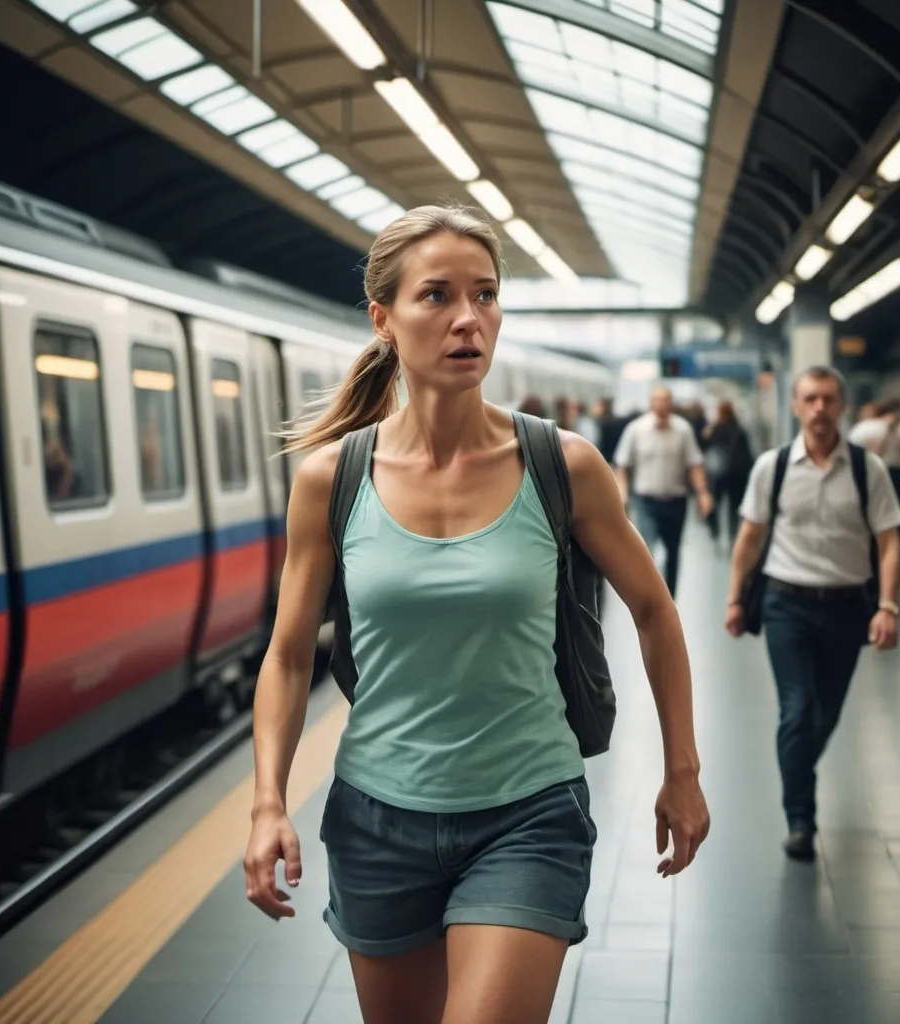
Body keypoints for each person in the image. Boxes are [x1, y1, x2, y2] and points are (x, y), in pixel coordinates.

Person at [243, 205, 710, 1024]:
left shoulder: (562, 465)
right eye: (438, 297)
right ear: (383, 319)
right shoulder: (331, 480)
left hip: (528, 813)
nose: (470, 319)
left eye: (486, 295)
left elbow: (654, 610)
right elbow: (287, 656)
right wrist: (268, 801)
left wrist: (683, 769)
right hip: (377, 819)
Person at [724, 366, 900, 861]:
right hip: (787, 604)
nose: (820, 408)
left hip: (848, 608)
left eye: (828, 399)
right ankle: (800, 819)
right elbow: (749, 538)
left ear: (842, 407)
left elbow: (890, 543)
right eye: (810, 399)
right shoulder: (774, 467)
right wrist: (735, 598)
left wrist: (888, 605)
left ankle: (798, 765)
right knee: (798, 709)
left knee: (823, 716)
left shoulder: (870, 471)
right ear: (796, 405)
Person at [613, 386, 714, 598]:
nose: (662, 404)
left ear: (671, 403)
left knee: (673, 551)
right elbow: (622, 465)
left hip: (676, 500)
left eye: (666, 400)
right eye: (658, 400)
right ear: (651, 403)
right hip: (646, 501)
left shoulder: (683, 430)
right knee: (647, 550)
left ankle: (669, 599)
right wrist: (623, 494)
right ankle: (650, 598)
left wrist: (703, 493)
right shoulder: (636, 429)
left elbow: (694, 464)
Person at [702, 400, 754, 548]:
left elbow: (705, 448)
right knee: (735, 507)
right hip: (738, 474)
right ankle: (733, 536)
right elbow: (747, 454)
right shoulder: (739, 429)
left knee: (714, 504)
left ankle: (715, 530)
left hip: (719, 473)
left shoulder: (715, 429)